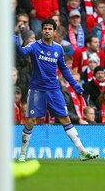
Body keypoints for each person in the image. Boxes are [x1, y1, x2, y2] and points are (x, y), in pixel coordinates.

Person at [15, 18, 98, 161]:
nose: (47, 31)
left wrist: (75, 85)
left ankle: (82, 151)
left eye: (50, 29)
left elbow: (64, 70)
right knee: (30, 120)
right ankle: (22, 153)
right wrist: (16, 42)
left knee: (65, 118)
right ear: (42, 31)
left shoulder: (58, 48)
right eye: (45, 28)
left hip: (54, 90)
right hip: (37, 90)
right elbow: (23, 52)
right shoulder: (35, 46)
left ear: (54, 32)